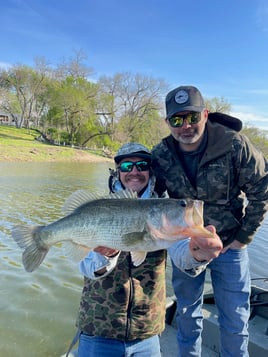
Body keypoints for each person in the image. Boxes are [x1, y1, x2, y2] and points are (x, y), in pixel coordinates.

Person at [70, 142, 223, 357]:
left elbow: (182, 254)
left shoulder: (163, 210)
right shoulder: (99, 207)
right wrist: (106, 256)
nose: (134, 171)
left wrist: (197, 255)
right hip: (99, 330)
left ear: (150, 172)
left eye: (141, 165)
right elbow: (86, 268)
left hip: (146, 334)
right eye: (126, 167)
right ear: (118, 172)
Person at [151, 85, 268, 357]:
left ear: (205, 114)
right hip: (187, 247)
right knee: (187, 317)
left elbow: (262, 189)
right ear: (168, 123)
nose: (185, 126)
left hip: (229, 246)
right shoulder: (161, 154)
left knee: (235, 321)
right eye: (177, 120)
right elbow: (148, 196)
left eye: (192, 117)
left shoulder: (235, 144)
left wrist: (243, 238)